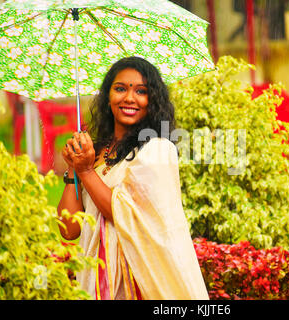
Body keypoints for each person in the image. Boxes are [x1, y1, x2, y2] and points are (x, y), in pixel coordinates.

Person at [57, 56, 209, 300]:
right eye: (120, 89)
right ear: (107, 97)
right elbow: (69, 229)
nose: (129, 98)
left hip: (139, 285)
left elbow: (121, 212)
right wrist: (74, 169)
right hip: (95, 283)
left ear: (153, 101)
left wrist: (85, 171)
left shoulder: (157, 150)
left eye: (141, 91)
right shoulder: (95, 154)